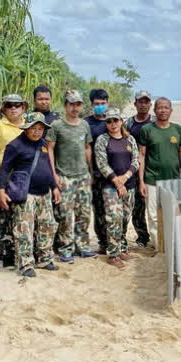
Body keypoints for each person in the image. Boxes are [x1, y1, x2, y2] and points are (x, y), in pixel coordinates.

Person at [0, 113, 61, 277]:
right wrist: (1, 190)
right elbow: (4, 169)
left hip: (44, 193)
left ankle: (44, 259)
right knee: (24, 230)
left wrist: (54, 187)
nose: (37, 132)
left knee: (47, 227)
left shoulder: (43, 144)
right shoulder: (15, 145)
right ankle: (25, 264)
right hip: (26, 195)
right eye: (34, 128)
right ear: (27, 128)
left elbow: (48, 165)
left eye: (40, 129)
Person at [46, 89, 93, 262]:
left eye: (78, 104)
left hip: (83, 175)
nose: (75, 107)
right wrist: (54, 175)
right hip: (64, 176)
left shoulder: (84, 125)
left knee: (84, 214)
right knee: (65, 214)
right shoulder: (56, 126)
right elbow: (50, 149)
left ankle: (83, 245)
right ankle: (65, 247)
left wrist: (91, 170)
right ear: (65, 105)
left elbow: (87, 148)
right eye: (71, 104)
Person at [138, 97, 181, 247]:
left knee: (173, 213)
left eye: (166, 107)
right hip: (151, 179)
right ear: (155, 111)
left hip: (173, 179)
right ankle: (158, 245)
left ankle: (172, 243)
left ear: (171, 110)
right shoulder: (147, 130)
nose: (163, 110)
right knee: (153, 215)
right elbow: (141, 155)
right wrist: (141, 181)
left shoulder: (178, 130)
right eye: (160, 107)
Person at [94, 108, 139, 269]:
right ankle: (112, 254)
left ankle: (122, 248)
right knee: (114, 219)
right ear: (106, 123)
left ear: (121, 121)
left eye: (116, 120)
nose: (113, 124)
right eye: (109, 121)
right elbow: (101, 164)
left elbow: (136, 161)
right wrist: (117, 182)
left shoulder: (130, 139)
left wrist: (125, 177)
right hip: (110, 187)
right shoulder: (102, 140)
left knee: (125, 218)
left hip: (130, 185)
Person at [0, 94, 27, 267]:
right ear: (4, 109)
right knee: (3, 215)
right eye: (9, 105)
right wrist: (0, 181)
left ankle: (22, 251)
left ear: (23, 107)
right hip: (6, 176)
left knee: (22, 216)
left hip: (24, 177)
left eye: (17, 105)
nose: (13, 108)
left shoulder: (30, 126)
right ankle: (4, 253)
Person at [126, 90, 154, 248]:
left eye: (146, 101)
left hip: (153, 169)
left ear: (150, 104)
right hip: (134, 170)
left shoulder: (156, 121)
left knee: (155, 206)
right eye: (140, 101)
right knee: (137, 205)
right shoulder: (128, 124)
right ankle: (142, 236)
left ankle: (159, 236)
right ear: (135, 104)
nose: (143, 104)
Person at [85, 88, 110, 253]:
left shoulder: (113, 121)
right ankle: (102, 242)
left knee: (114, 209)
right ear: (91, 104)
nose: (100, 106)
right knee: (98, 209)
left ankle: (115, 240)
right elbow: (85, 148)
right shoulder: (86, 123)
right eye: (96, 104)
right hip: (95, 173)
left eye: (103, 103)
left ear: (108, 103)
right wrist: (90, 171)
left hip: (113, 172)